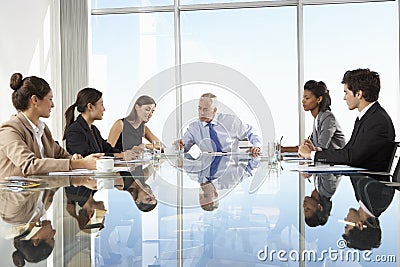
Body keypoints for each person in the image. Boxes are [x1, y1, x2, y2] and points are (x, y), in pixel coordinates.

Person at [0, 73, 101, 177]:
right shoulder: (9, 130)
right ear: (35, 100)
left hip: (42, 190)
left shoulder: (42, 129)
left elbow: (62, 155)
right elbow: (29, 165)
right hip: (16, 193)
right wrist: (80, 164)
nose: (52, 105)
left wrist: (74, 158)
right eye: (50, 99)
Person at [298, 69, 395, 172]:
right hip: (361, 180)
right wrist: (316, 150)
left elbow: (351, 157)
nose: (344, 98)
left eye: (346, 92)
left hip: (371, 183)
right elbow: (347, 151)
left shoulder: (377, 120)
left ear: (358, 94)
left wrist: (311, 154)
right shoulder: (367, 117)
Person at [63, 87, 140, 159]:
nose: (104, 109)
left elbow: (107, 149)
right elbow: (88, 155)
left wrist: (126, 152)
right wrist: (119, 155)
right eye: (101, 104)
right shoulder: (75, 130)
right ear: (90, 107)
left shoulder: (94, 129)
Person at [181, 93, 262, 156]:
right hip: (206, 172)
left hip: (231, 169)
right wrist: (179, 146)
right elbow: (183, 147)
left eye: (205, 109)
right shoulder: (194, 128)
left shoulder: (231, 121)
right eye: (199, 108)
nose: (201, 112)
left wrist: (256, 146)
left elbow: (251, 132)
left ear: (214, 110)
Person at [281, 80, 346, 152]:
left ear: (319, 99)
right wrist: (282, 149)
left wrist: (308, 149)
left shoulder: (328, 118)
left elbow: (321, 148)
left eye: (307, 98)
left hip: (338, 162)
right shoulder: (318, 119)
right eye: (303, 98)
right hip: (326, 162)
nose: (303, 101)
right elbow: (308, 147)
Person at [342, 175, 395, 250]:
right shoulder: (378, 199)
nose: (345, 220)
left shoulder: (365, 200)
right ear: (359, 225)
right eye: (347, 225)